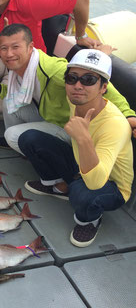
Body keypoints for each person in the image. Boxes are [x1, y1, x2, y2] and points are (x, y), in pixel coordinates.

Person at [17, 49, 133, 247]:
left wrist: (84, 138)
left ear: (103, 87)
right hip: (81, 165)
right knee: (29, 138)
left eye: (88, 80)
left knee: (82, 192)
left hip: (111, 184)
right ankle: (57, 186)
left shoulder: (115, 124)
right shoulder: (77, 100)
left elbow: (96, 181)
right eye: (72, 78)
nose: (78, 86)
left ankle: (90, 219)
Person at [0, 24, 136, 152]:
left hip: (69, 127)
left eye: (15, 47)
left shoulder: (53, 70)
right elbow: (20, 92)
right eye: (4, 48)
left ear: (30, 47)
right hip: (48, 115)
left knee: (12, 135)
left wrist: (129, 116)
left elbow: (106, 88)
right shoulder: (21, 66)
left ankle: (57, 168)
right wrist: (0, 91)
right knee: (9, 101)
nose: (9, 54)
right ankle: (23, 146)